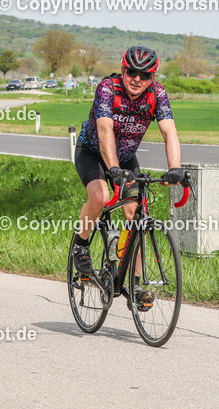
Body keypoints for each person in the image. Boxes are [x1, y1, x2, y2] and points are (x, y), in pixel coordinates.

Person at [71, 45, 184, 309]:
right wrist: (112, 169)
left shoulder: (157, 94)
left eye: (144, 75)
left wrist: (175, 167)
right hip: (93, 152)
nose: (137, 79)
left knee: (136, 214)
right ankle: (81, 245)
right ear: (123, 70)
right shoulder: (108, 89)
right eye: (132, 72)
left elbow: (170, 132)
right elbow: (104, 129)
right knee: (100, 197)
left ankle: (133, 284)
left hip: (125, 158)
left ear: (152, 78)